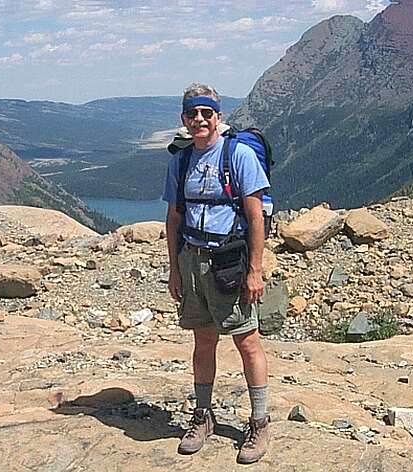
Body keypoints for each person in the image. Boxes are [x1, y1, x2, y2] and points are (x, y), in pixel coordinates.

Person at [163, 83, 270, 464]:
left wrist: (255, 271)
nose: (199, 120)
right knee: (203, 341)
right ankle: (203, 415)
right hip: (193, 261)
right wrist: (174, 269)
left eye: (206, 113)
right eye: (192, 114)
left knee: (246, 341)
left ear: (217, 117)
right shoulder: (180, 160)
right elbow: (174, 217)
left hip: (229, 263)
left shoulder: (237, 154)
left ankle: (259, 421)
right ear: (184, 119)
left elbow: (255, 215)